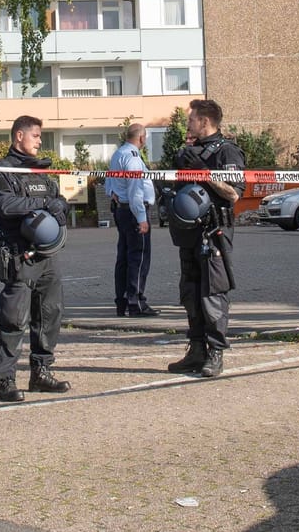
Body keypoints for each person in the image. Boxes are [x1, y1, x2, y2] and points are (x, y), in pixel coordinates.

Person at [0, 115, 74, 401]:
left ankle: (41, 372)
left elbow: (56, 198)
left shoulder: (40, 171)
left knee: (50, 314)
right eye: (35, 135)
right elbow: (6, 205)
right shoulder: (1, 171)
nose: (39, 140)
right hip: (19, 254)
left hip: (47, 255)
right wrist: (43, 203)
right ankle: (4, 380)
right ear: (19, 136)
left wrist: (60, 205)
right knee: (14, 319)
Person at [164, 99, 245, 378]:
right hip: (188, 233)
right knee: (190, 294)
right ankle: (196, 350)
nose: (188, 123)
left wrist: (206, 173)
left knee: (213, 294)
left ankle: (215, 353)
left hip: (213, 234)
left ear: (205, 121)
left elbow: (234, 194)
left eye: (192, 119)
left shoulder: (228, 152)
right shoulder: (189, 151)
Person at [105, 123, 159, 318]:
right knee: (139, 258)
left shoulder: (118, 154)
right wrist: (142, 218)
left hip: (122, 210)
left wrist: (113, 194)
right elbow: (135, 191)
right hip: (134, 212)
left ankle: (121, 302)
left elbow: (109, 182)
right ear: (142, 138)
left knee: (124, 258)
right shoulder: (133, 158)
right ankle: (136, 303)